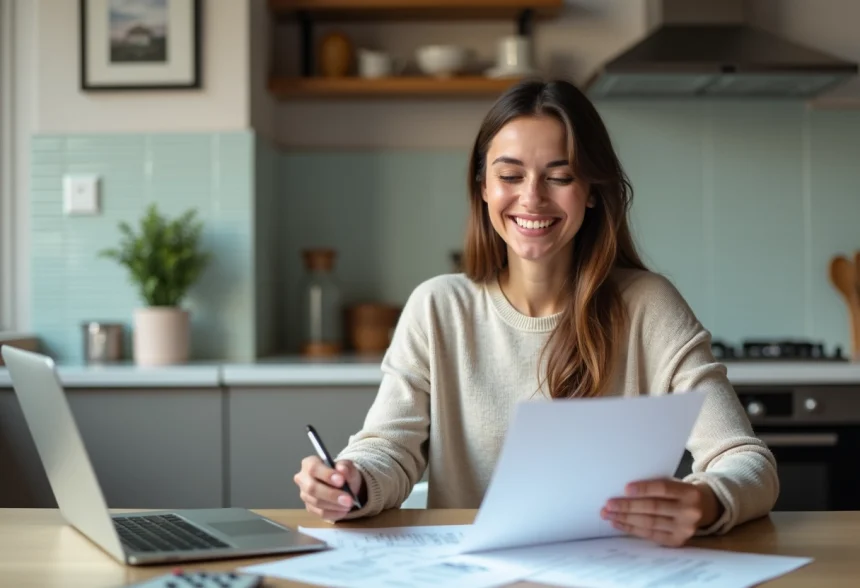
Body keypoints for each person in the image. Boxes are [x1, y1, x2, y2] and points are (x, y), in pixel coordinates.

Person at [293, 78, 779, 548]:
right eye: (509, 176)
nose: (532, 197)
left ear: (591, 190)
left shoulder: (649, 305)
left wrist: (707, 500)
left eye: (560, 176)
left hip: (615, 572)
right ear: (483, 187)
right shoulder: (438, 307)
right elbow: (389, 449)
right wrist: (350, 482)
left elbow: (744, 459)